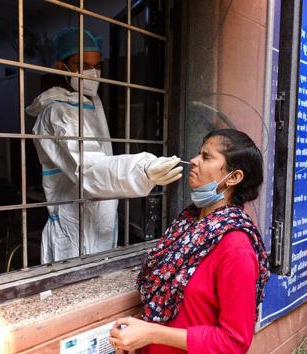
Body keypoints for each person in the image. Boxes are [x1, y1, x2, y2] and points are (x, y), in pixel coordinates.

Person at [26, 27, 182, 263]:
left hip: (99, 226)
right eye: (83, 65)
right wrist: (142, 169)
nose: (93, 72)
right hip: (73, 233)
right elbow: (88, 169)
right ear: (61, 67)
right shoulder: (58, 113)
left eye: (97, 65)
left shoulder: (90, 105)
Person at [108, 129, 270, 353]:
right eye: (198, 153)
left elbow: (234, 341)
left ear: (233, 177)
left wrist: (151, 332)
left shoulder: (235, 247)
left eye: (206, 157)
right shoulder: (187, 224)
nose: (193, 161)